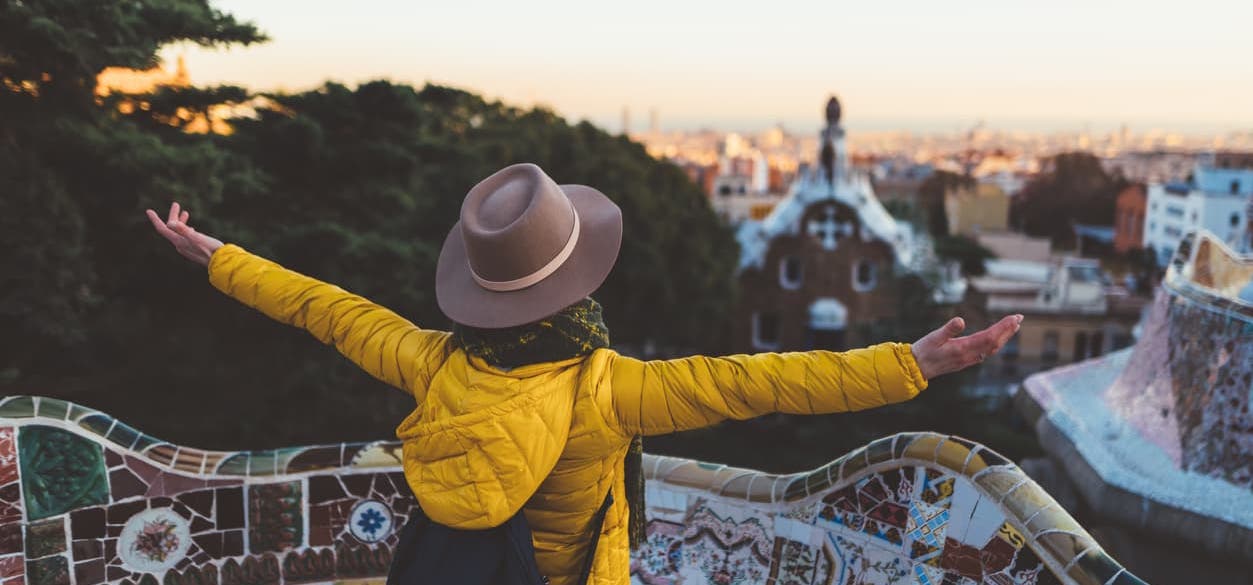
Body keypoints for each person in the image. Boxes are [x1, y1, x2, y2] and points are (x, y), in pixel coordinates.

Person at [146, 163, 1021, 585]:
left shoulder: (431, 362)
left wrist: (218, 255)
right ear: (575, 283)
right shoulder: (611, 387)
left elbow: (326, 308)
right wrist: (913, 363)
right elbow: (766, 380)